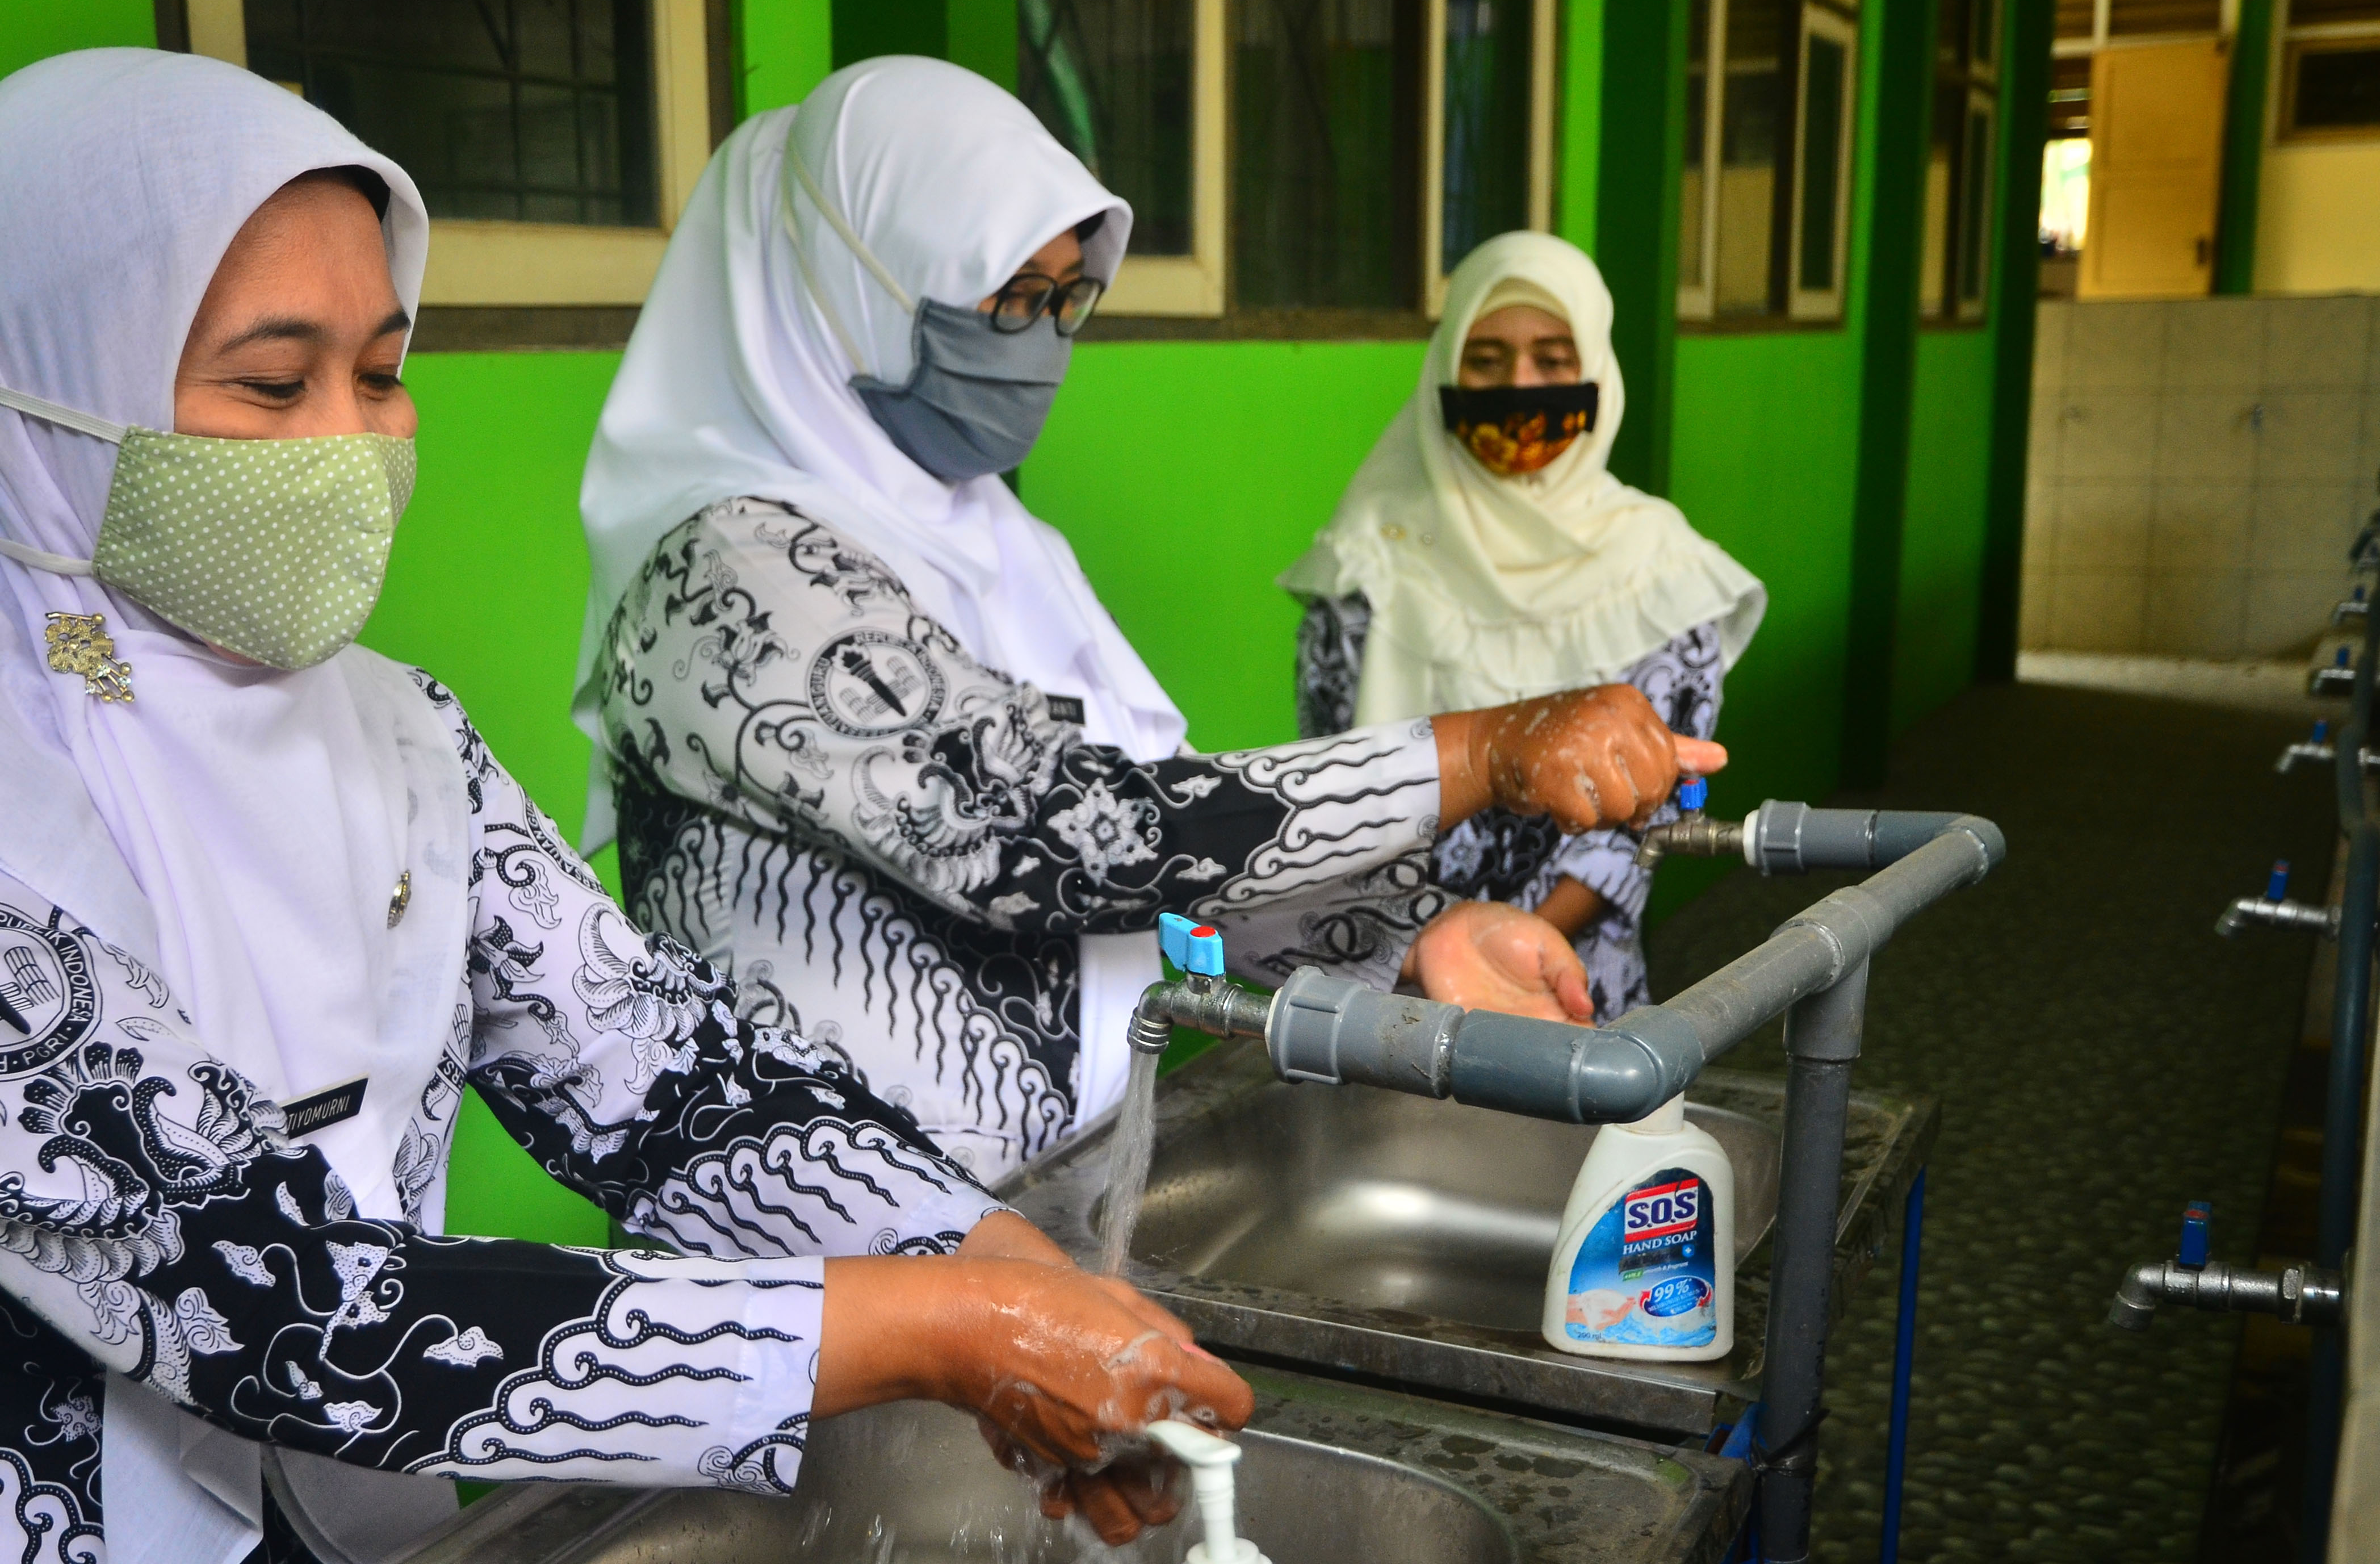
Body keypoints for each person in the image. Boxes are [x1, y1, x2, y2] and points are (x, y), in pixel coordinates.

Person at [0, 49, 1247, 1564]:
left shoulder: (397, 739)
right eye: (272, 386)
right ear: (47, 390)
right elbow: (274, 1302)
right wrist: (918, 1331)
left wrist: (971, 1252)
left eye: (384, 369)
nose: (352, 447)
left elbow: (674, 1079)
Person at [576, 58, 1724, 1185]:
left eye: (1065, 302)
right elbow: (1059, 835)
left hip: (1044, 1212)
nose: (1042, 346)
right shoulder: (728, 572)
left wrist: (1407, 932)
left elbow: (1161, 831)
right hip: (831, 1281)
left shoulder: (996, 548)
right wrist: (1476, 752)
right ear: (852, 277)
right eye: (1010, 300)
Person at [1282, 232, 1767, 1022]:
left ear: (1596, 374)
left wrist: (1507, 954)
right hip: (1387, 986)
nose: (1519, 386)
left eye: (1551, 358)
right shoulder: (1370, 561)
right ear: (1445, 372)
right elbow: (1331, 787)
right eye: (1485, 360)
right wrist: (1423, 952)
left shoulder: (1661, 570)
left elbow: (1643, 823)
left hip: (1569, 986)